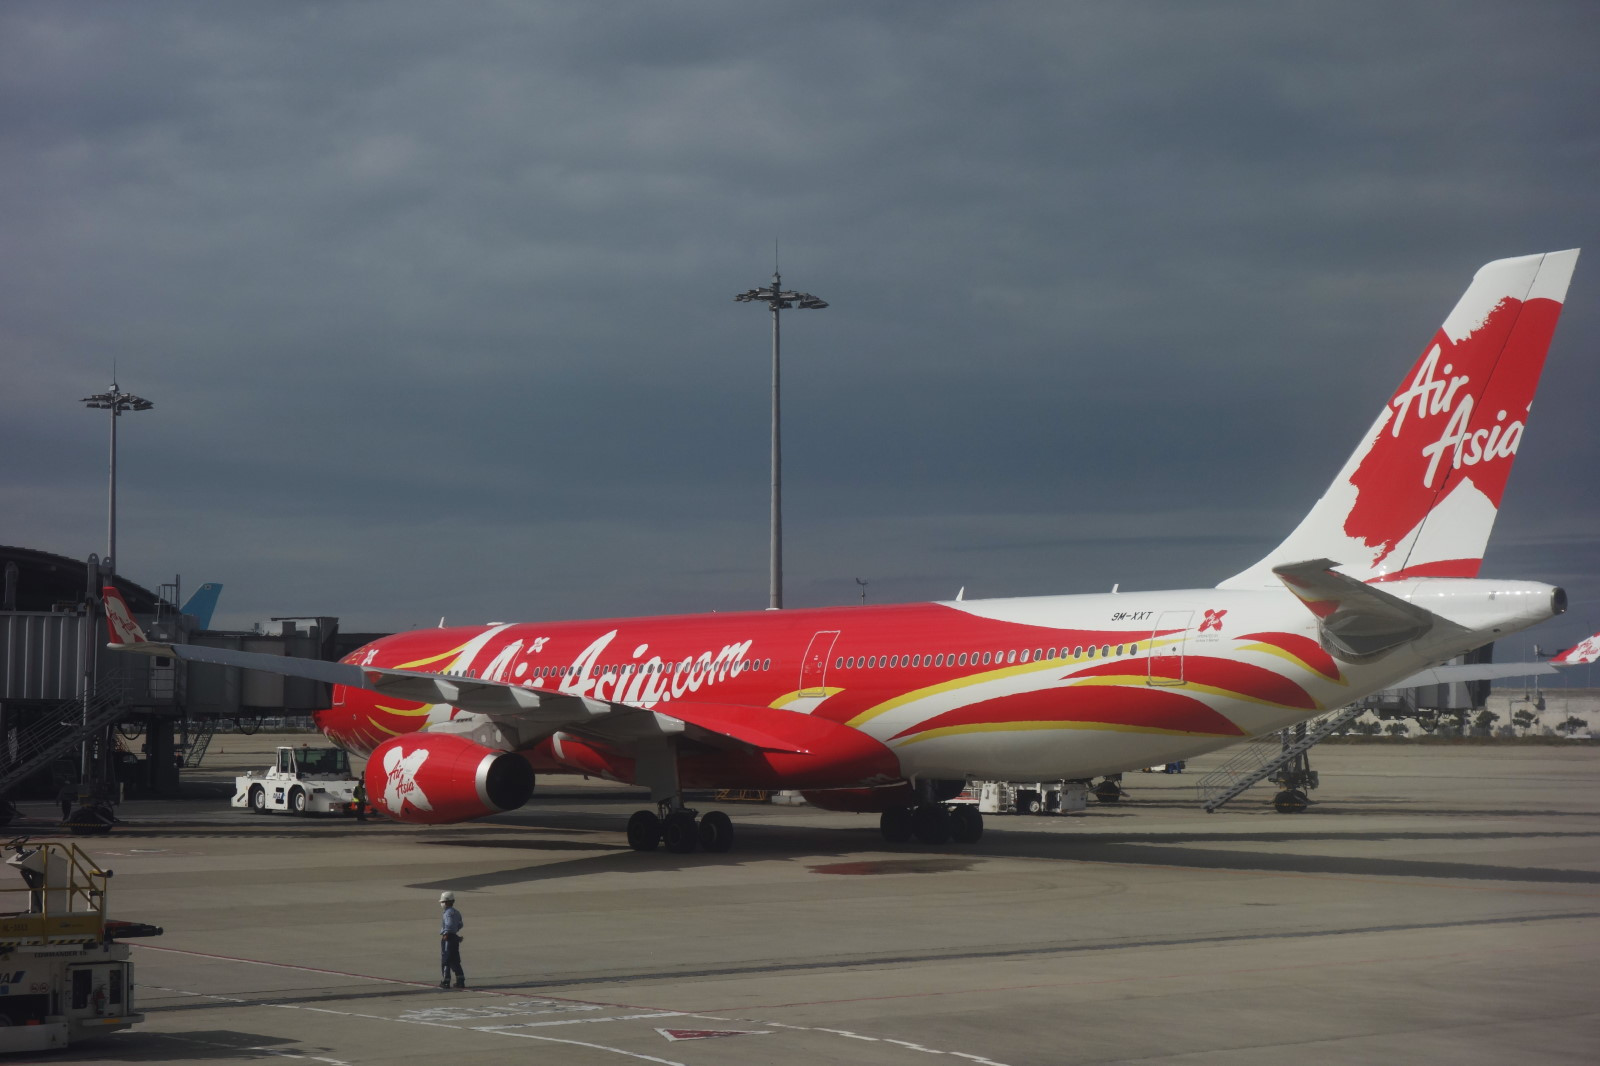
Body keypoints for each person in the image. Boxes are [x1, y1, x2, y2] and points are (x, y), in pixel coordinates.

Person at [438, 891, 464, 988]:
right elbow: (460, 924)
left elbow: (448, 924)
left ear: (448, 902)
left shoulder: (447, 913)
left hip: (448, 938)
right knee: (455, 960)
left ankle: (446, 981)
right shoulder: (456, 912)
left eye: (443, 902)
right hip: (454, 937)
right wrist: (455, 933)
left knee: (446, 960)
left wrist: (447, 933)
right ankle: (460, 980)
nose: (442, 904)